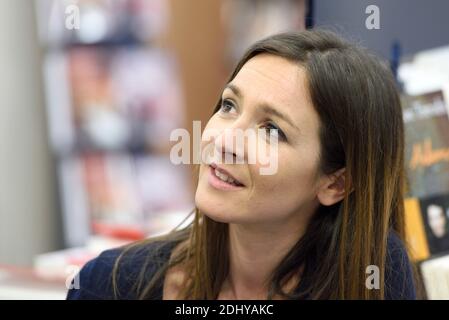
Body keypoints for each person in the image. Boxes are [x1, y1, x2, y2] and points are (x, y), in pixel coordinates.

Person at [67, 29, 417, 300]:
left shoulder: (372, 272)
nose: (224, 140)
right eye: (229, 106)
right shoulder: (109, 284)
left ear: (335, 184)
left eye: (272, 130)